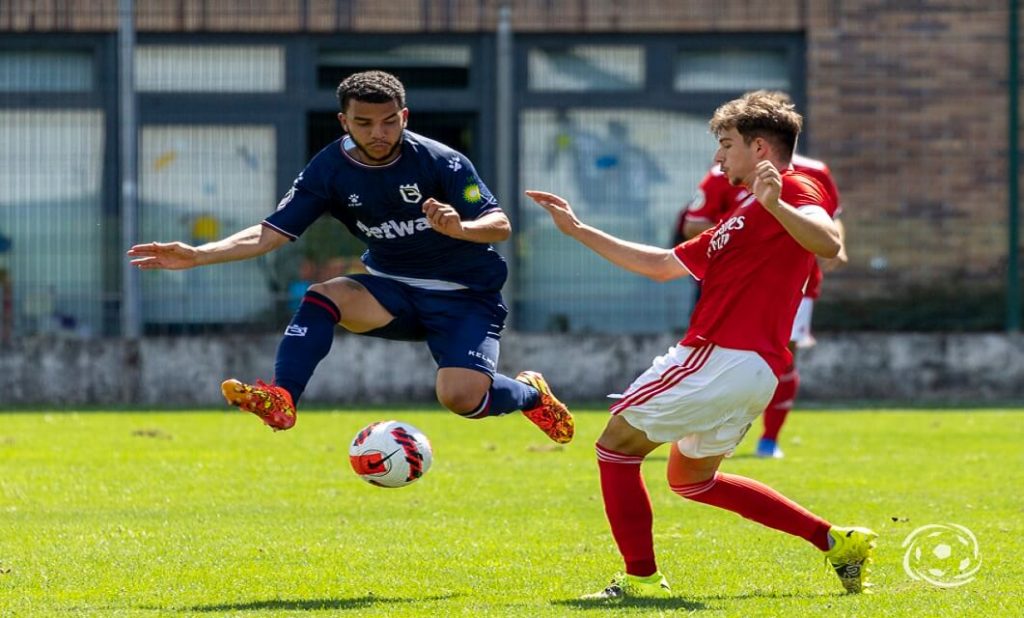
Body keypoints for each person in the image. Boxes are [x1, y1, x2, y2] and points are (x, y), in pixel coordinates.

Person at [525, 90, 875, 599]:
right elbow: (661, 265)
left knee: (614, 449)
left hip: (720, 355)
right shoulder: (742, 217)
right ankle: (835, 540)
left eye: (726, 144)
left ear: (759, 148)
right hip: (751, 370)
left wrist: (777, 204)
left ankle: (642, 580)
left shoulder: (793, 189)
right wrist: (578, 230)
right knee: (693, 481)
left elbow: (829, 243)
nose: (718, 157)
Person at [127, 70, 573, 444]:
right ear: (344, 121)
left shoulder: (442, 161)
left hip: (465, 296)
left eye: (388, 122)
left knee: (460, 398)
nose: (378, 134)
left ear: (404, 117)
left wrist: (460, 228)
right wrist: (199, 254)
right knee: (325, 295)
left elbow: (500, 224)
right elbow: (270, 233)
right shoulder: (329, 170)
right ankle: (282, 398)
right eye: (364, 123)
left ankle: (531, 395)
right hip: (392, 289)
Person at [674, 99, 848, 458]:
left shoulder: (810, 174)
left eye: (727, 143)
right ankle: (713, 433)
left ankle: (769, 440)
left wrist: (836, 244)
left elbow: (830, 221)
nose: (721, 154)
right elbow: (693, 222)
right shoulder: (727, 171)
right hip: (735, 284)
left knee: (782, 357)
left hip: (796, 283)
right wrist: (734, 238)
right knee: (721, 355)